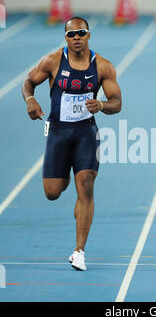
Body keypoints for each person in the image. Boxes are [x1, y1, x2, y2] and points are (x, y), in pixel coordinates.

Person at [22, 16, 122, 270]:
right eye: (71, 34)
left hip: (86, 133)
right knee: (53, 192)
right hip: (58, 133)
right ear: (65, 37)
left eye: (81, 33)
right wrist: (30, 100)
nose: (76, 38)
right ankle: (66, 177)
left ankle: (79, 251)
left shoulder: (104, 67)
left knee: (86, 187)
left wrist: (101, 105)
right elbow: (28, 83)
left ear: (89, 35)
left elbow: (117, 102)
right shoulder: (53, 61)